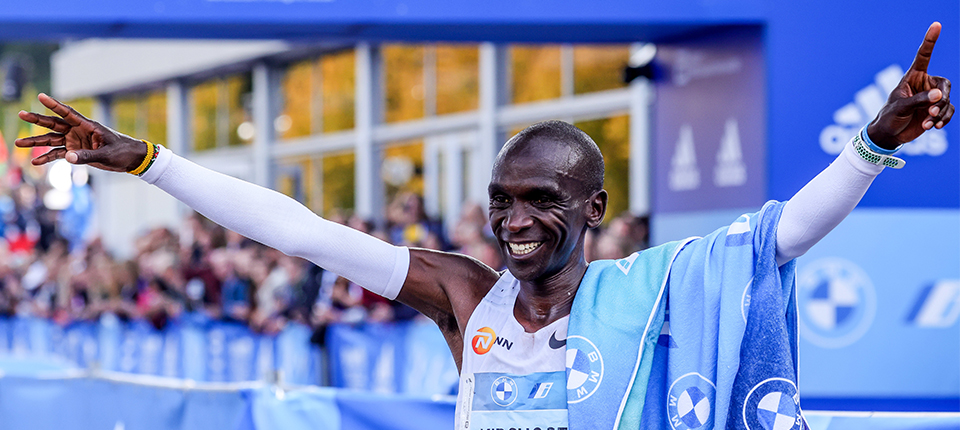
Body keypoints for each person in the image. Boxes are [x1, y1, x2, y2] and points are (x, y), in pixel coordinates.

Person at [14, 23, 953, 430]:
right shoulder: (463, 295)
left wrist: (873, 142)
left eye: (543, 200)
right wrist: (149, 162)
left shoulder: (652, 286)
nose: (515, 219)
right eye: (504, 198)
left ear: (593, 209)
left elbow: (780, 239)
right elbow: (299, 232)